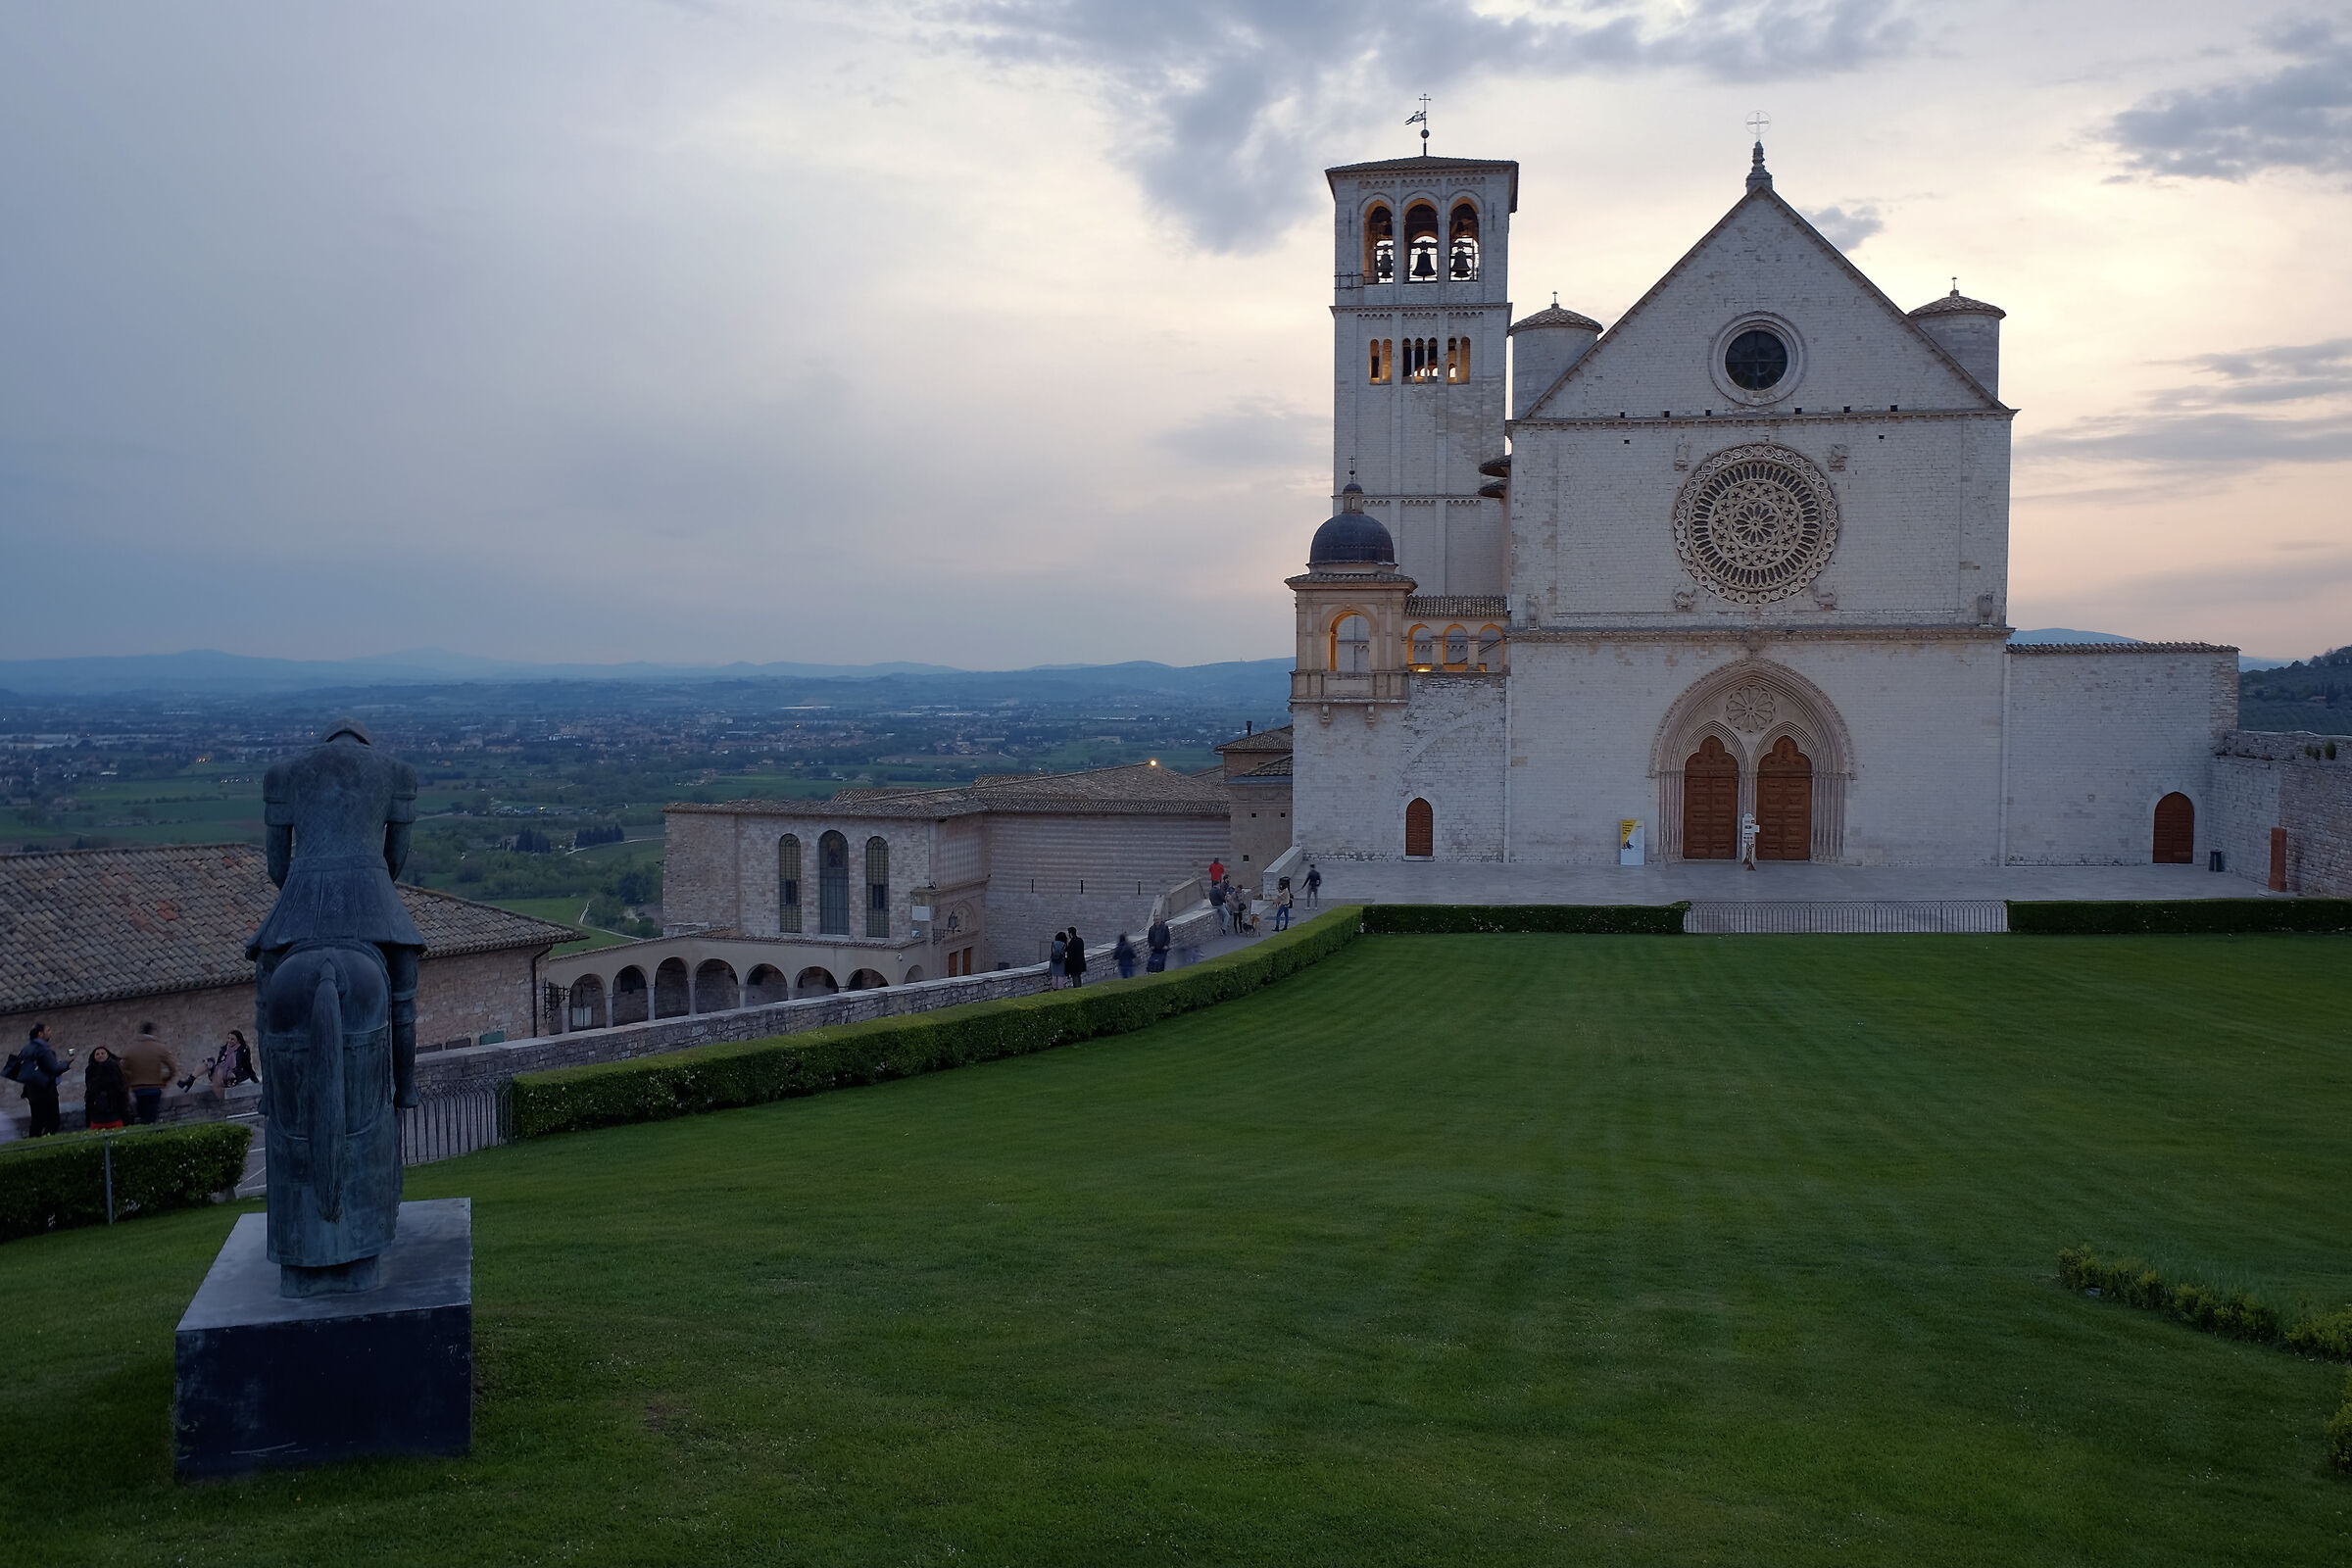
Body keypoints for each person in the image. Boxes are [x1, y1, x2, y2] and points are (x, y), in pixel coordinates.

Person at [17, 1024, 72, 1139]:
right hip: (46, 1090)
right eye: (48, 1030)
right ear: (40, 1034)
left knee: (37, 1121)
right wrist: (66, 1063)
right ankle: (46, 1145)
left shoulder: (26, 1049)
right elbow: (54, 1069)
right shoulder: (43, 1049)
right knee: (52, 1121)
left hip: (32, 1091)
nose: (50, 1032)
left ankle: (33, 1147)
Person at [122, 1021, 178, 1126]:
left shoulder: (130, 1049)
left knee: (143, 1117)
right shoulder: (159, 1047)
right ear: (152, 1032)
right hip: (154, 1087)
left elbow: (123, 1070)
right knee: (152, 1116)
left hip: (137, 1088)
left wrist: (131, 1080)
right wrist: (164, 1079)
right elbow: (172, 1068)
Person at [82, 1046, 129, 1131]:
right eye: (97, 1054)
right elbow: (89, 1090)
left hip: (114, 1109)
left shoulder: (114, 1068)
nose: (100, 1055)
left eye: (102, 1053)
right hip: (97, 1111)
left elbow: (120, 1089)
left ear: (108, 1055)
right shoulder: (90, 1070)